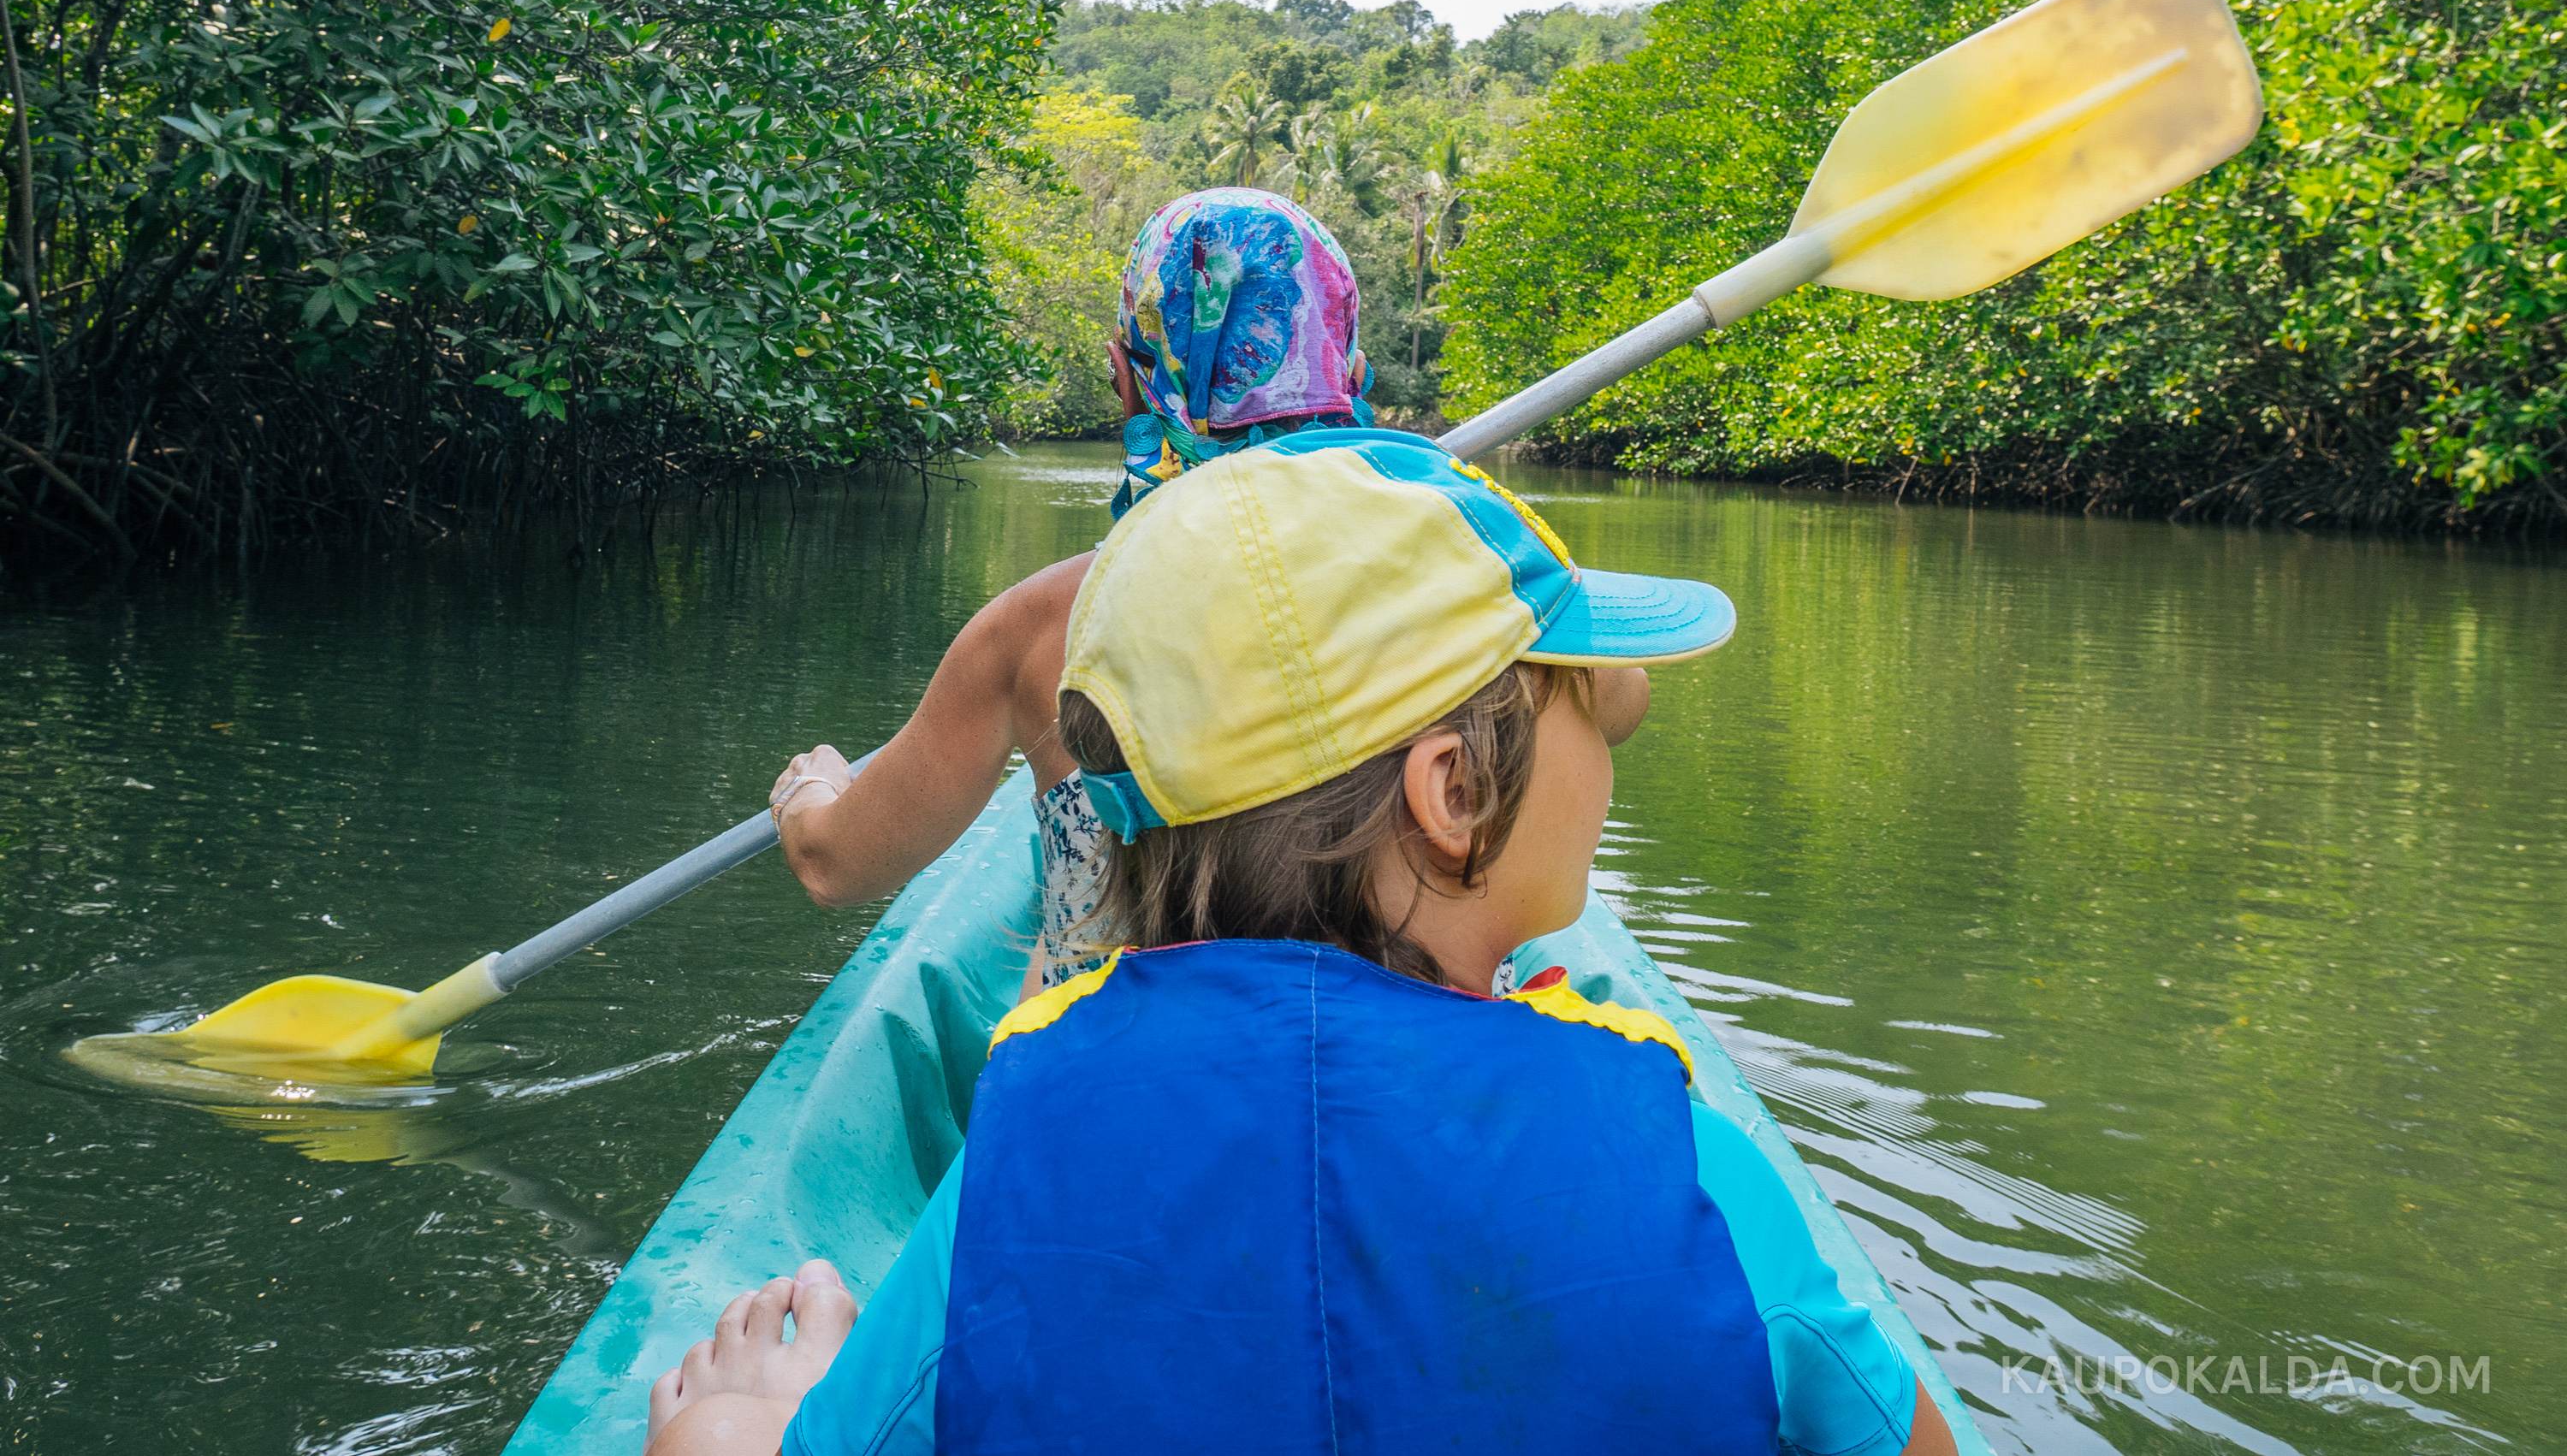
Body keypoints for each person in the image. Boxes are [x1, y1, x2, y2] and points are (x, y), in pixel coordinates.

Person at [649, 428, 1959, 1456]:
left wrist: (729, 1429)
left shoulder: (1025, 1137)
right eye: (1573, 700)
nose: (1612, 732)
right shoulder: (1675, 1145)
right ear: (1455, 797)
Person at [766, 185, 1647, 991]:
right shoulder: (1465, 573)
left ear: (1127, 378)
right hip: (1415, 1083)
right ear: (1352, 373)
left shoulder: (1044, 625)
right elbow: (1618, 700)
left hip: (1108, 1092)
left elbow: (836, 865)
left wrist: (811, 792)